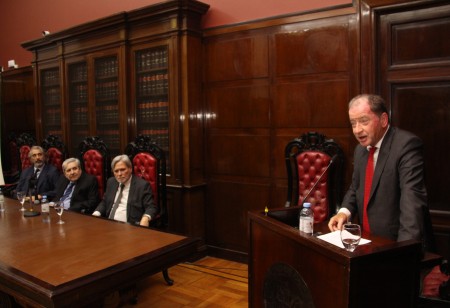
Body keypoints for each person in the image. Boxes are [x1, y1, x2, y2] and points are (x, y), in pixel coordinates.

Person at [328, 94, 428, 244]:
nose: (357, 130)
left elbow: (412, 204)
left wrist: (404, 251)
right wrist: (344, 212)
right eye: (353, 123)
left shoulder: (406, 146)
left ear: (383, 120)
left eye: (363, 121)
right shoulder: (360, 150)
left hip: (396, 243)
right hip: (368, 242)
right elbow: (356, 188)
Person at [92, 154, 158, 227]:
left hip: (130, 226)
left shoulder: (142, 185)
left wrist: (145, 218)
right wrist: (96, 213)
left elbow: (151, 207)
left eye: (122, 170)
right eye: (116, 171)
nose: (119, 174)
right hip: (109, 224)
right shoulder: (111, 182)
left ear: (130, 169)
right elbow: (105, 202)